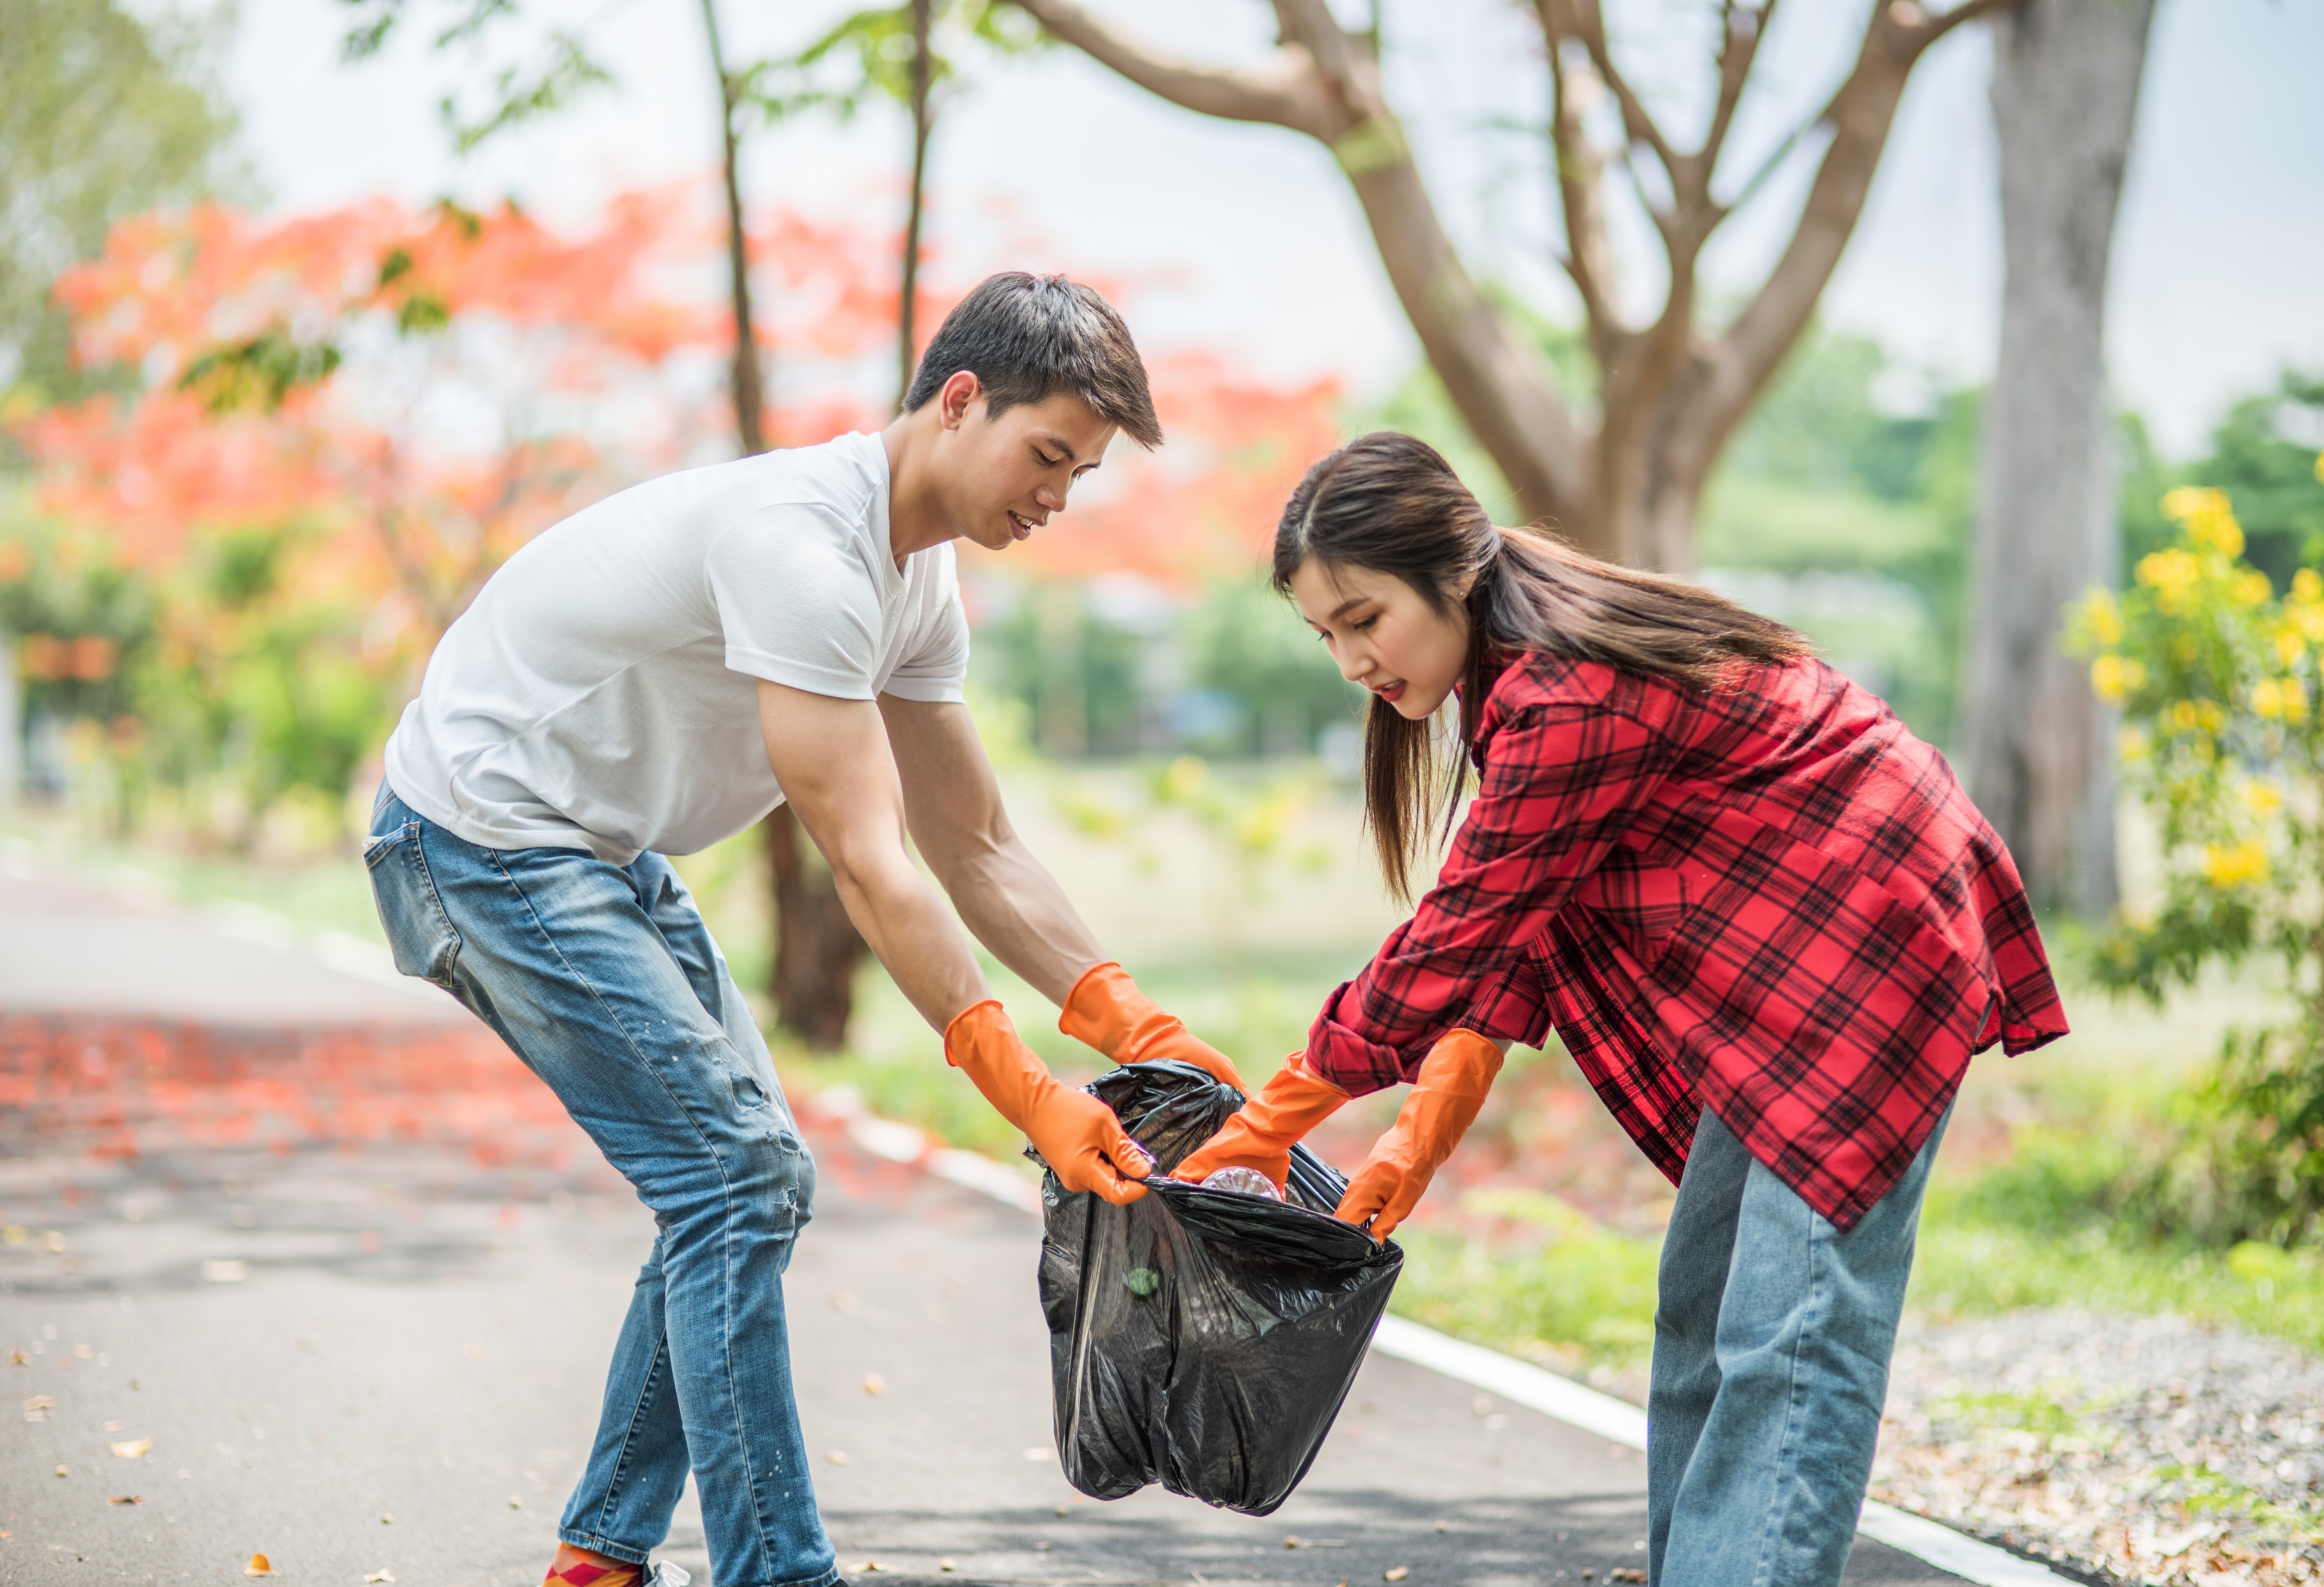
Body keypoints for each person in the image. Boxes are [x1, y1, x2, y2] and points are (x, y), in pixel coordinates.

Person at [363, 273, 1239, 1587]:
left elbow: (978, 847)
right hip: (479, 841)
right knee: (738, 1178)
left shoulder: (912, 580)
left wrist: (1133, 1020)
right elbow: (872, 860)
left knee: (732, 1186)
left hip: (594, 849)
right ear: (957, 402)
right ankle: (777, 1571)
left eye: (1084, 471)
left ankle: (602, 1554)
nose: (1059, 497)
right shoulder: (800, 545)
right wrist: (1023, 1089)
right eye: (1047, 454)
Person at [1178, 432, 2068, 1587]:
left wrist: (1267, 1123)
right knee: (1702, 1317)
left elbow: (1458, 933)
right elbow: (1515, 930)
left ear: (1451, 573)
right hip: (1788, 964)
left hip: (1869, 938)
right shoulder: (1520, 676)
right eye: (1325, 634)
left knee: (1791, 1333)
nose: (1350, 661)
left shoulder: (1563, 686)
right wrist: (1414, 1139)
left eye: (1364, 618)